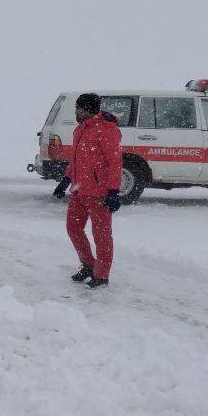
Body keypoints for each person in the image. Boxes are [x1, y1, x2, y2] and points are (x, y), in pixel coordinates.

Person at [53, 93, 123, 289]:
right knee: (73, 228)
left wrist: (113, 191)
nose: (75, 111)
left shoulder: (106, 130)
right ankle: (88, 265)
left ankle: (101, 275)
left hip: (99, 193)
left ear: (88, 109)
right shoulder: (80, 129)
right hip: (79, 191)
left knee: (101, 235)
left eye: (78, 108)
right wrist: (66, 179)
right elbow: (78, 160)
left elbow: (115, 162)